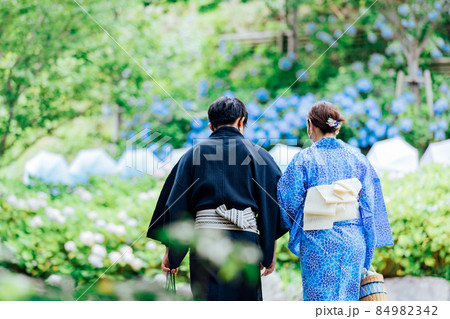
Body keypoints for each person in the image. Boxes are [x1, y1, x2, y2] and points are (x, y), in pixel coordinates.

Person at [147, 96, 287, 301]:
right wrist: (269, 251)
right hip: (245, 244)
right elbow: (272, 205)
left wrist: (172, 254)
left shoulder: (192, 155)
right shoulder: (259, 156)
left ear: (211, 125)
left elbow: (176, 205)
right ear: (241, 121)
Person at [277, 101, 393, 301]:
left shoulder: (304, 159)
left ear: (310, 125)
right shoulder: (358, 158)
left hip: (318, 241)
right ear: (336, 126)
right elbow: (370, 206)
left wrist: (280, 230)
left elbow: (287, 202)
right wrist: (368, 246)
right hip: (353, 241)